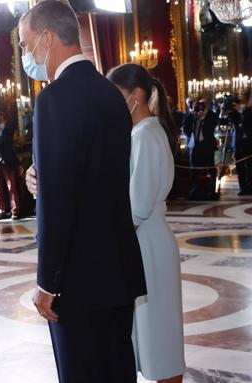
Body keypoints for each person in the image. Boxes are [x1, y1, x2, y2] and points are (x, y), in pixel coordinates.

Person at [19, 1, 147, 382]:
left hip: (77, 281)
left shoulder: (53, 99)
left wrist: (47, 283)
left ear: (46, 37)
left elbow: (60, 203)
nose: (27, 55)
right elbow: (93, 173)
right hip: (118, 272)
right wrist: (41, 177)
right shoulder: (111, 95)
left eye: (26, 45)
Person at [108, 63, 186, 383]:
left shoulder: (145, 134)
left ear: (135, 96)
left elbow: (137, 206)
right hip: (147, 240)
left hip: (149, 242)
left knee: (160, 334)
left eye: (116, 96)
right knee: (151, 329)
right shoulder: (141, 132)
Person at [182, 98, 218, 199]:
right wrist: (192, 112)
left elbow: (212, 125)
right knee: (194, 169)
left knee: (211, 168)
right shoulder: (193, 115)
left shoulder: (211, 115)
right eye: (200, 104)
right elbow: (186, 128)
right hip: (195, 145)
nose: (201, 107)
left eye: (204, 104)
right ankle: (195, 189)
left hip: (207, 145)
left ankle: (212, 190)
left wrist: (204, 117)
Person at [234, 91, 252, 195]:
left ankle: (250, 187)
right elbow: (224, 122)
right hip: (239, 143)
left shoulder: (249, 111)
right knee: (239, 166)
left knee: (250, 166)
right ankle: (243, 188)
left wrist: (242, 112)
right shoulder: (235, 112)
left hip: (249, 143)